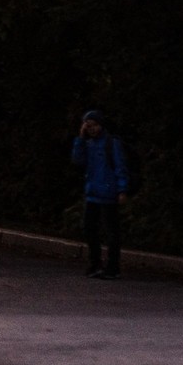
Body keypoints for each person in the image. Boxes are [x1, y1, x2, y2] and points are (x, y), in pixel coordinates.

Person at [71, 109, 129, 278]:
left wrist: (122, 189)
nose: (92, 129)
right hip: (93, 192)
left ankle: (112, 266)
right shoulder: (88, 144)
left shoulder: (111, 143)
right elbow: (77, 160)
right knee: (89, 228)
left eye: (95, 125)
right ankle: (95, 262)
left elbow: (120, 167)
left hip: (108, 192)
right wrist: (80, 139)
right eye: (88, 126)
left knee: (111, 230)